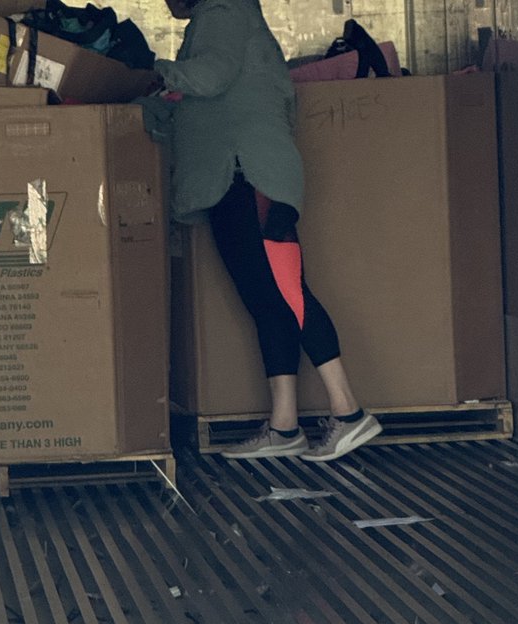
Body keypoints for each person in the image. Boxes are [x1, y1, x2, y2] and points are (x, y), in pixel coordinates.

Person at [153, 0, 382, 462]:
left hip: (249, 177)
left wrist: (152, 68)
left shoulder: (224, 10)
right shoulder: (220, 19)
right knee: (266, 300)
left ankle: (350, 412)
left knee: (288, 293)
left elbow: (211, 76)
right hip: (232, 180)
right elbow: (212, 94)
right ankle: (284, 427)